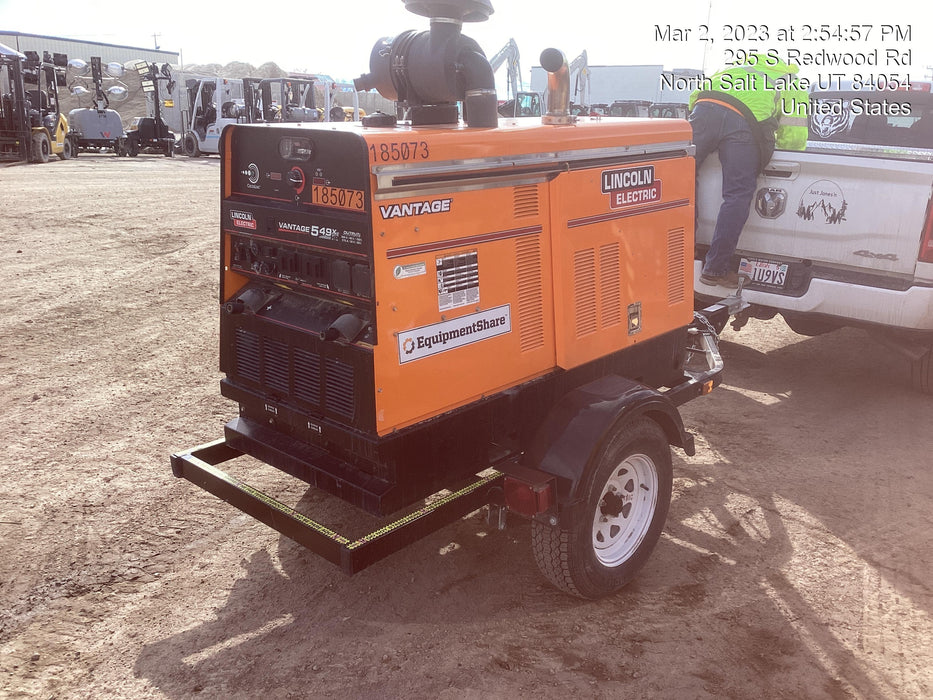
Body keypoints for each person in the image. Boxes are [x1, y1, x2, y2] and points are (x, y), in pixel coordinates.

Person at [689, 54, 808, 287]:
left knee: (683, 180)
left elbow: (695, 97)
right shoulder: (791, 80)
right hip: (743, 123)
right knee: (737, 194)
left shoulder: (732, 68)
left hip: (704, 108)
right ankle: (715, 269)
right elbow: (794, 135)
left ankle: (681, 255)